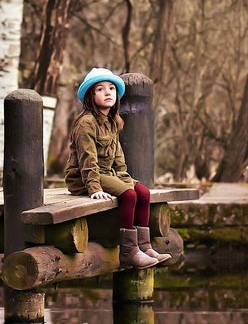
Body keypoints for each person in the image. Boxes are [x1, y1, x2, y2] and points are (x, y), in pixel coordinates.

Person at [64, 68, 171, 268]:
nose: (108, 92)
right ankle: (129, 252)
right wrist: (94, 188)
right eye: (100, 89)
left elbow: (118, 157)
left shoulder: (113, 121)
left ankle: (145, 246)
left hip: (109, 174)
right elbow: (87, 158)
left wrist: (125, 178)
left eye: (112, 88)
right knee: (129, 195)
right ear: (90, 95)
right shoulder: (86, 123)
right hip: (84, 177)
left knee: (143, 192)